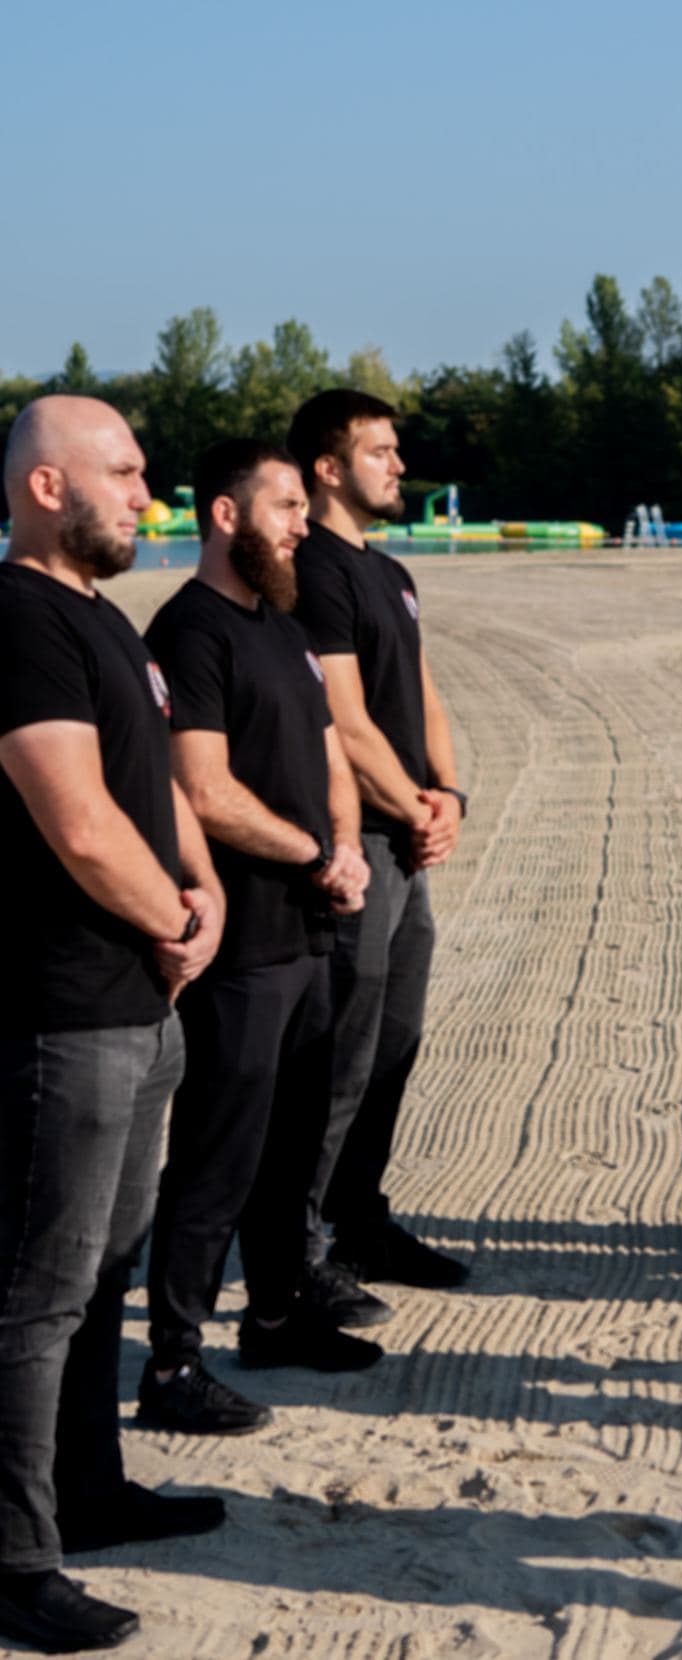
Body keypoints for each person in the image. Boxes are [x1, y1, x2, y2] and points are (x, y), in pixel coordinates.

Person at [0, 397, 225, 1653]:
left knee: (98, 1282)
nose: (150, 494)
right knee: (35, 1292)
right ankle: (16, 1555)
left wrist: (196, 907)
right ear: (45, 487)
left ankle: (86, 1489)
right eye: (126, 472)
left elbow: (153, 793)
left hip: (142, 1000)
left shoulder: (103, 621)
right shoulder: (20, 619)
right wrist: (169, 916)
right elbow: (76, 820)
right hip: (64, 1010)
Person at [137, 439, 382, 1439]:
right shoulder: (190, 631)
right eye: (282, 504)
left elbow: (328, 751)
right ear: (227, 516)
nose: (297, 521)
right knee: (215, 1155)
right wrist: (312, 852)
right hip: (241, 943)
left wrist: (345, 843)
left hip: (312, 929)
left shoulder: (280, 624)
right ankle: (172, 1360)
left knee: (290, 1148)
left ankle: (277, 1314)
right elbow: (202, 788)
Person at [287, 390, 470, 1308]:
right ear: (329, 467)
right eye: (381, 451)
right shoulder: (313, 568)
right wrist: (413, 807)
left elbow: (423, 695)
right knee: (341, 1052)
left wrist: (450, 797)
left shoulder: (392, 570)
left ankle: (361, 1217)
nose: (399, 466)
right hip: (362, 844)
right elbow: (344, 721)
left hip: (410, 840)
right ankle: (302, 1240)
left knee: (394, 1040)